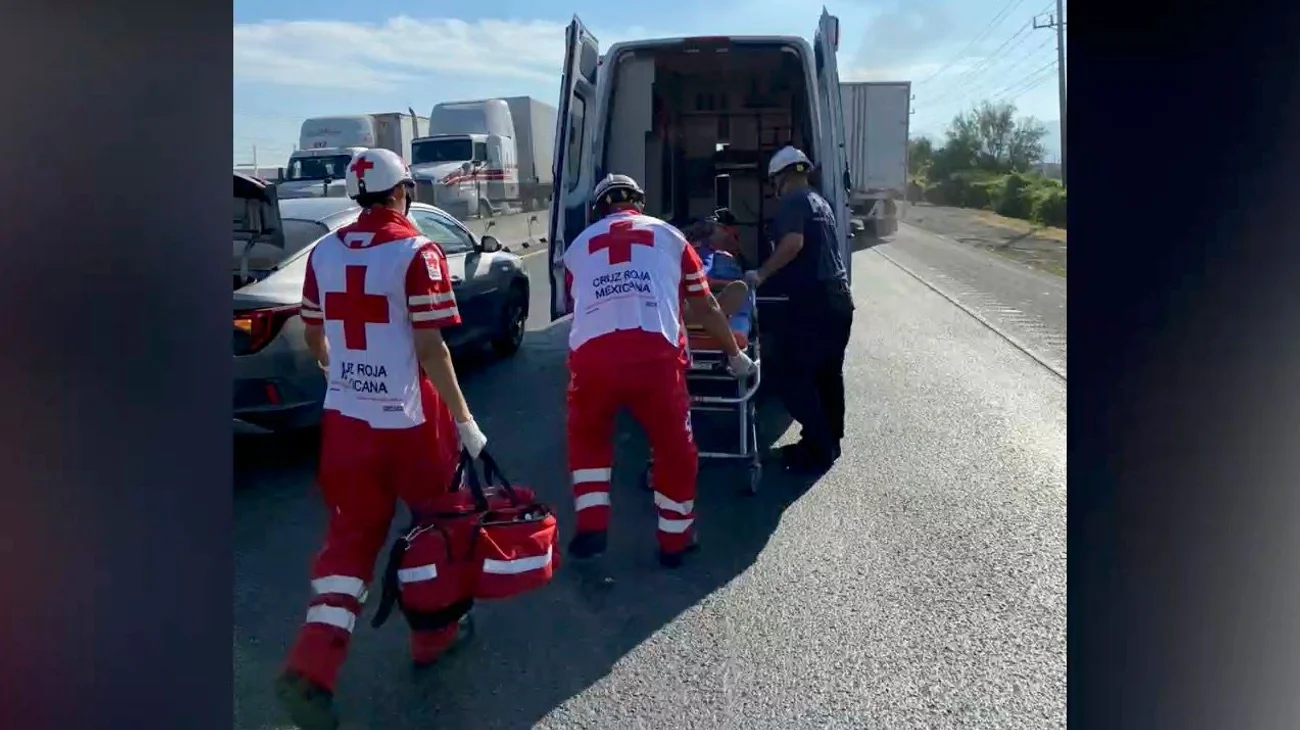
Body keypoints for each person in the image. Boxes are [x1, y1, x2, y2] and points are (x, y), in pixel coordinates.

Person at [273, 147, 489, 730]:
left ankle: (311, 667)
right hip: (410, 420)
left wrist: (338, 375)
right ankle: (433, 637)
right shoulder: (419, 251)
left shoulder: (324, 252)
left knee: (348, 543)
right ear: (405, 192)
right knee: (438, 522)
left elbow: (316, 335)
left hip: (346, 421)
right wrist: (465, 421)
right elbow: (431, 349)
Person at [564, 174, 757, 568]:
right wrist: (734, 356)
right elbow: (707, 308)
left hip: (592, 357)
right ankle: (675, 541)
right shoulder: (670, 237)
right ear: (640, 202)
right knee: (673, 450)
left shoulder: (577, 249)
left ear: (599, 208)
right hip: (654, 358)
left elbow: (579, 305)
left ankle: (592, 524)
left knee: (589, 437)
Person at [743, 145, 855, 473]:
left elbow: (793, 245)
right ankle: (829, 441)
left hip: (815, 303)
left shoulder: (794, 201)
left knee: (791, 374)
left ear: (782, 177)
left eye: (774, 179)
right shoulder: (821, 202)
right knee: (827, 374)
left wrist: (760, 274)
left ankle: (817, 447)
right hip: (839, 300)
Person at [682, 209, 753, 331]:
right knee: (746, 289)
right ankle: (734, 330)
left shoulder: (721, 255)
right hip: (699, 280)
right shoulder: (711, 254)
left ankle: (707, 313)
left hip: (700, 284)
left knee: (744, 288)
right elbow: (701, 278)